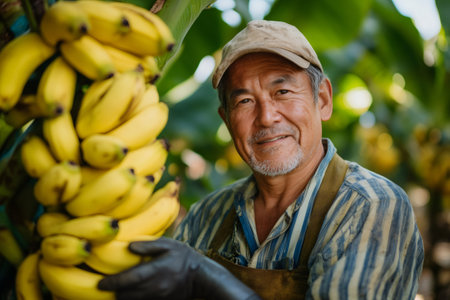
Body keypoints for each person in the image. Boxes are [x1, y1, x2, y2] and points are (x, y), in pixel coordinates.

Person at [98, 20, 424, 299]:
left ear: (322, 100)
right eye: (244, 101)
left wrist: (204, 274)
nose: (267, 117)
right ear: (226, 120)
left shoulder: (370, 206)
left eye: (282, 92)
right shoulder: (208, 216)